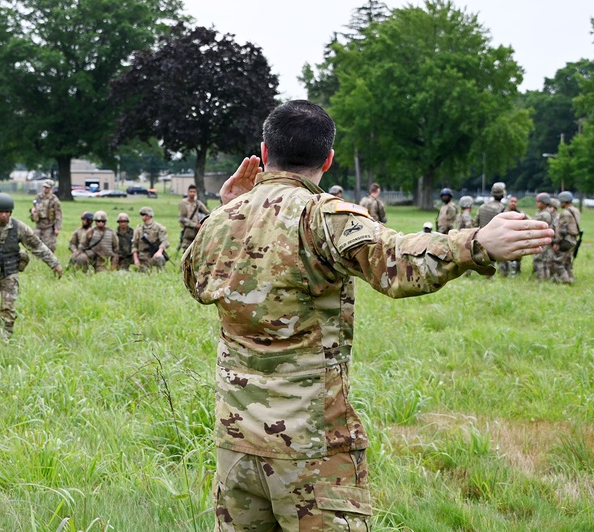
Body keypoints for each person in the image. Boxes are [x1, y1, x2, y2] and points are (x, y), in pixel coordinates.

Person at [181, 100, 553, 532]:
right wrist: (476, 243)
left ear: (264, 153)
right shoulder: (323, 216)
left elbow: (194, 280)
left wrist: (227, 209)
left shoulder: (224, 217)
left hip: (236, 448)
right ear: (328, 159)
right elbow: (395, 261)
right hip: (310, 447)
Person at [0, 193, 62, 337]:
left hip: (9, 273)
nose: (4, 215)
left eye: (7, 212)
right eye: (1, 212)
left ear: (11, 212)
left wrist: (54, 263)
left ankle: (5, 338)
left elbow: (37, 246)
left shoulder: (19, 227)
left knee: (8, 308)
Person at [552, 191, 581, 284]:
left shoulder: (565, 213)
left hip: (566, 240)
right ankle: (571, 278)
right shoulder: (575, 210)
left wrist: (556, 242)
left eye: (561, 201)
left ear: (564, 201)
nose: (560, 203)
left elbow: (562, 230)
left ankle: (566, 280)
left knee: (558, 263)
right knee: (568, 262)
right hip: (573, 239)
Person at [30, 179, 63, 253]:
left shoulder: (54, 200)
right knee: (34, 243)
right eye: (44, 187)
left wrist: (57, 228)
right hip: (38, 224)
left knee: (49, 245)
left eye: (47, 187)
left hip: (48, 225)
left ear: (51, 188)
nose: (45, 189)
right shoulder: (39, 197)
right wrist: (33, 210)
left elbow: (58, 215)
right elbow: (35, 205)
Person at [132, 206, 168, 272]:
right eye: (141, 215)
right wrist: (136, 259)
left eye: (144, 214)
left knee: (159, 258)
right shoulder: (138, 229)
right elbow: (134, 245)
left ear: (149, 215)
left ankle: (160, 272)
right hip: (142, 256)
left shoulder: (159, 228)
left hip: (155, 254)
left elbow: (164, 241)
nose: (142, 216)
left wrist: (159, 252)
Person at [178, 184, 210, 252]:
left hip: (198, 231)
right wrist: (194, 225)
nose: (192, 193)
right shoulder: (183, 203)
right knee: (187, 250)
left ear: (196, 193)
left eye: (194, 192)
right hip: (188, 230)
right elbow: (182, 218)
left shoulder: (198, 203)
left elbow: (207, 212)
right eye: (190, 191)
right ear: (188, 192)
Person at [532, 193, 556, 282]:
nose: (537, 203)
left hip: (542, 239)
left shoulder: (544, 214)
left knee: (539, 260)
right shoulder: (545, 212)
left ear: (544, 203)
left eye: (538, 202)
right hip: (543, 239)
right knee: (544, 260)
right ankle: (545, 278)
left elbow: (535, 224)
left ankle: (541, 278)